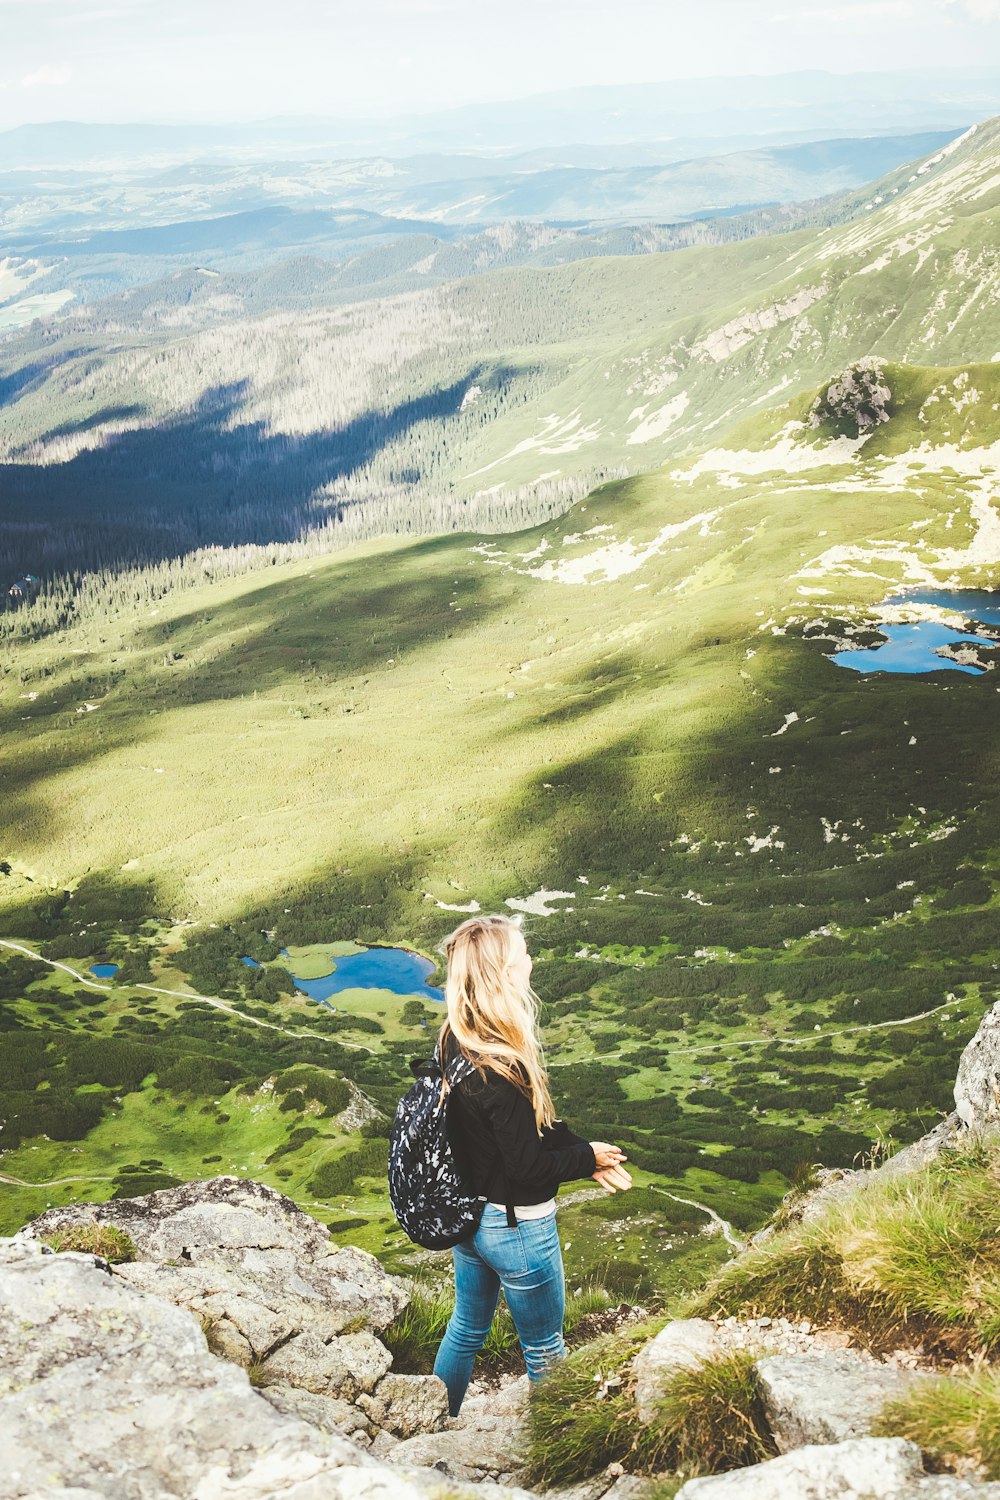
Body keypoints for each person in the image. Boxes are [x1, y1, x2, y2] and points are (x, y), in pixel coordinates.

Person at [431, 913, 632, 1416]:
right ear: (502, 972)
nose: (531, 961)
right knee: (544, 1346)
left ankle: (430, 1420)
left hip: (470, 1221)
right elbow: (526, 1170)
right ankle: (561, 1445)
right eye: (522, 955)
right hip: (518, 1227)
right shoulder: (504, 1064)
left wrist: (587, 1153)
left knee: (466, 1328)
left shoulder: (456, 1040)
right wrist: (584, 1159)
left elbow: (525, 1134)